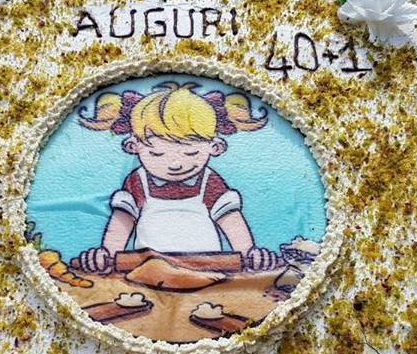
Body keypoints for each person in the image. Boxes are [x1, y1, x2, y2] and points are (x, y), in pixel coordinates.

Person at [75, 81, 280, 273]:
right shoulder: (138, 182)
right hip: (147, 272)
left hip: (208, 270)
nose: (175, 164)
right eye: (156, 154)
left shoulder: (209, 182)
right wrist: (107, 254)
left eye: (191, 153)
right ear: (133, 147)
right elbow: (123, 220)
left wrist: (249, 253)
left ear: (215, 147)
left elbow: (230, 219)